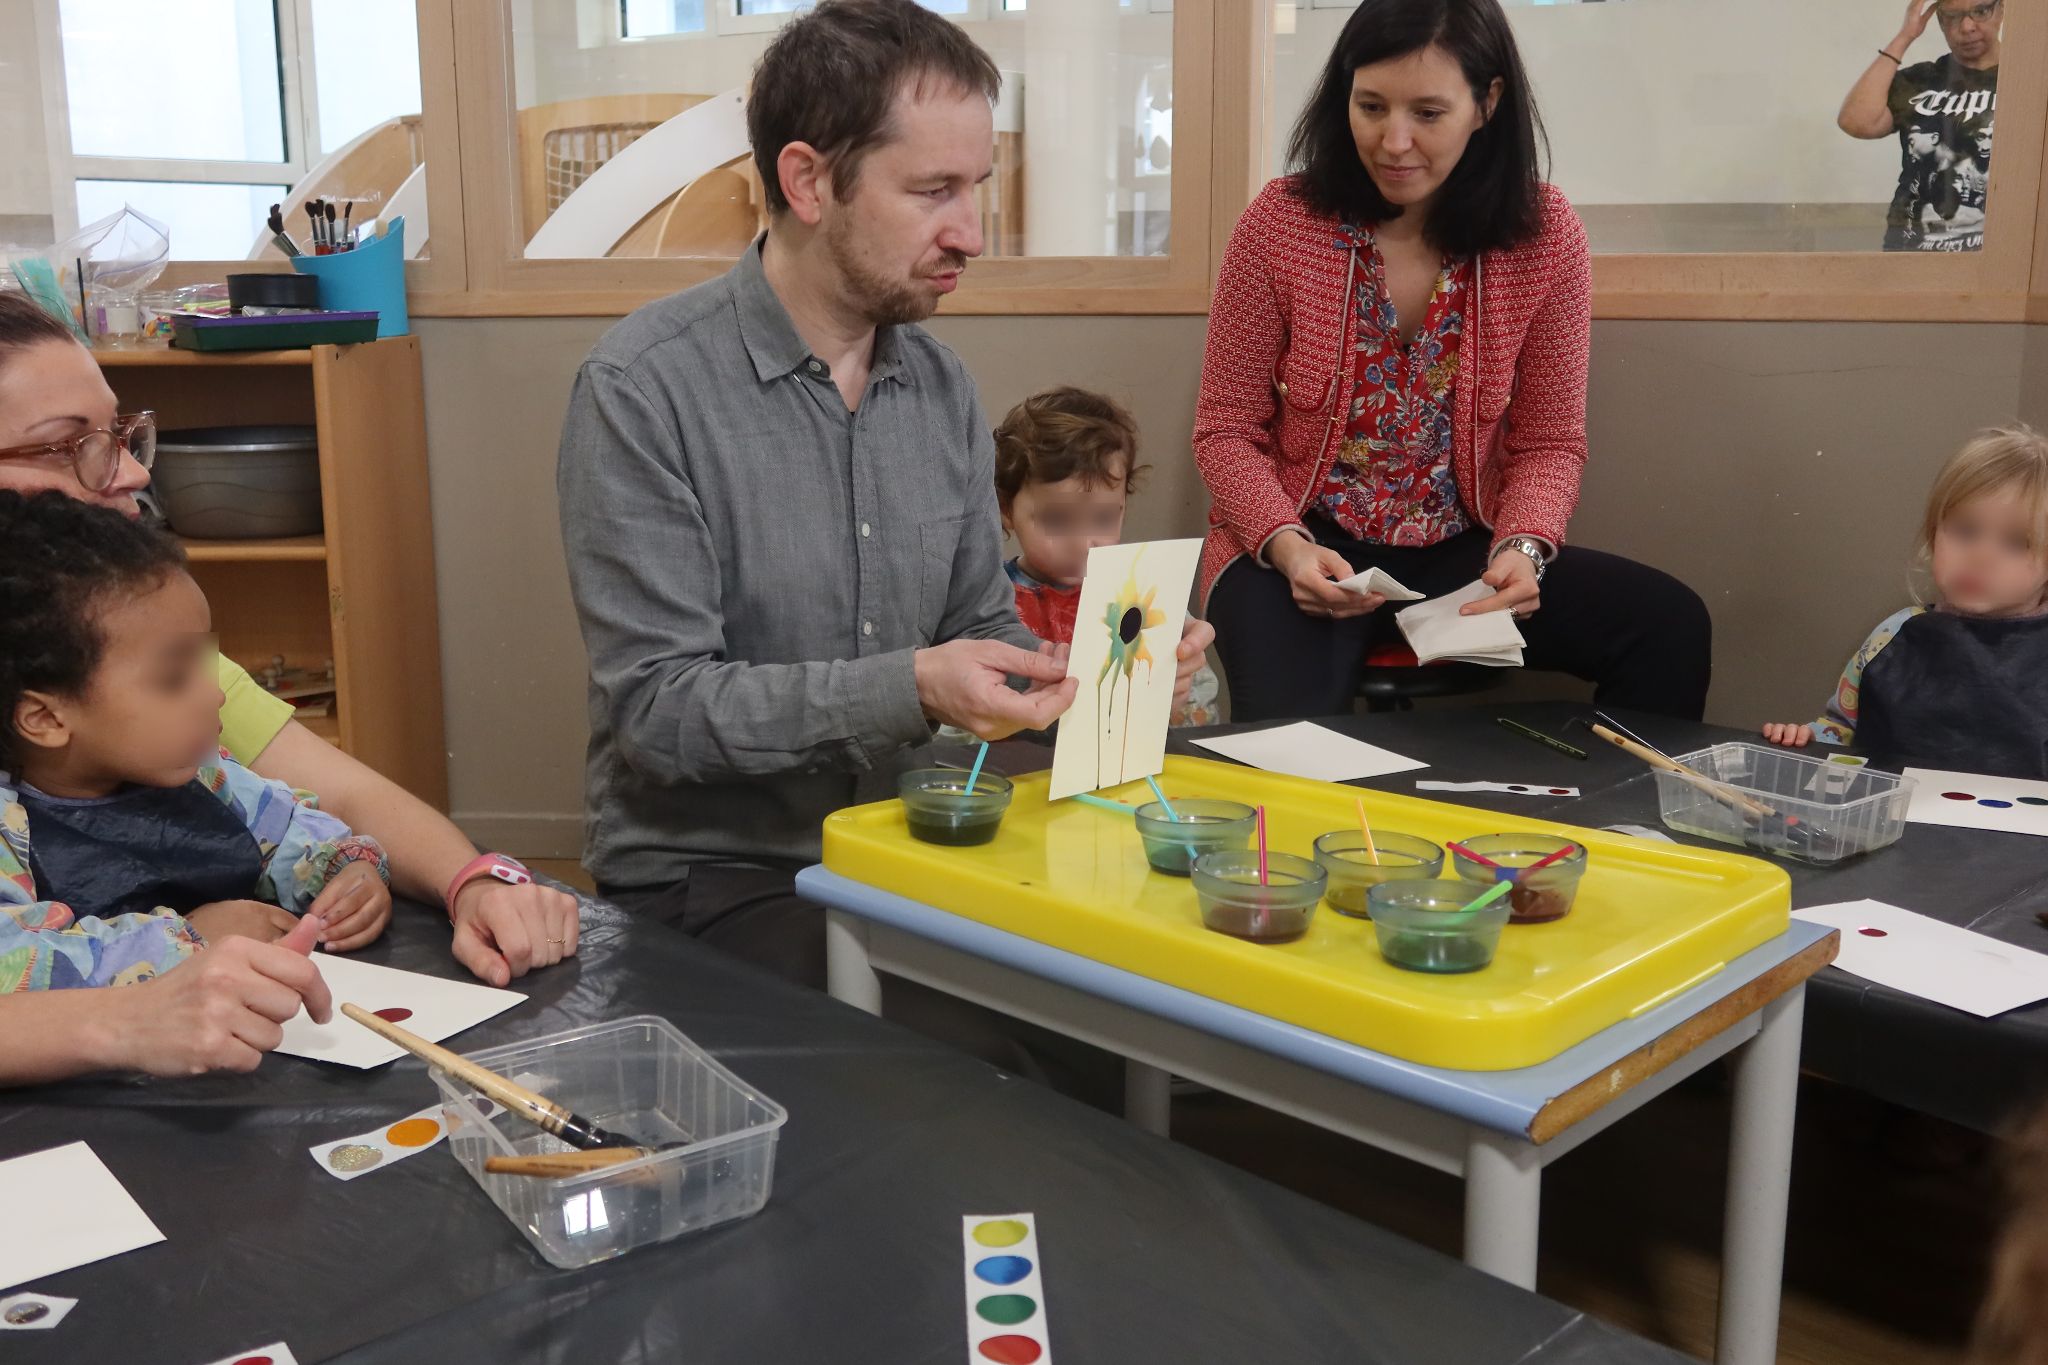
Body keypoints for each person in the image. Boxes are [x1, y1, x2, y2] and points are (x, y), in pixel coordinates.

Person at [556, 0, 1212, 987]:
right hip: (720, 878)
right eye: (934, 191)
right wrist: (910, 687)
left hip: (914, 841)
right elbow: (660, 715)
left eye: (978, 187)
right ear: (808, 180)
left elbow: (981, 643)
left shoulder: (939, 388)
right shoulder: (641, 390)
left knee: (1125, 1008)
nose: (972, 233)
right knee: (970, 1064)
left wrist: (1111, 668)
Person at [0, 291, 574, 1083]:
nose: (129, 470)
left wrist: (471, 877)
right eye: (70, 446)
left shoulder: (151, 676)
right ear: (43, 716)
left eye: (122, 434)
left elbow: (337, 799)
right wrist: (171, 965)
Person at [1194, 0, 1710, 724]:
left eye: (1428, 113)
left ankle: (1619, 827)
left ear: (1486, 103)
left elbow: (1550, 442)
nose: (1393, 141)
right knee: (1290, 751)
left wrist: (1524, 548)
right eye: (1370, 105)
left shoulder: (1545, 234)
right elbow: (1224, 428)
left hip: (1459, 547)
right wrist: (1285, 546)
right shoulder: (1281, 223)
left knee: (1669, 624)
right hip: (1298, 544)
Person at [0, 491, 390, 986]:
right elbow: (12, 963)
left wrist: (346, 874)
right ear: (45, 718)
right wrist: (187, 939)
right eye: (173, 679)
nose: (214, 696)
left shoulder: (207, 774)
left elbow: (295, 832)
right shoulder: (10, 829)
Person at [1763, 424, 2048, 777]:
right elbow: (1843, 726)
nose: (1981, 556)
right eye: (1965, 531)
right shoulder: (1894, 635)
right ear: (1933, 532)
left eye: (2017, 543)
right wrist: (1807, 738)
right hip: (1894, 819)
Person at [993, 387, 1220, 726]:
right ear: (1006, 509)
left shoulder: (1141, 599)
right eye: (1056, 520)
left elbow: (1198, 704)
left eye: (1103, 519)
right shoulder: (988, 602)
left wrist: (1170, 698)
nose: (1084, 544)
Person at [1839, 0, 2000, 252]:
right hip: (1909, 251)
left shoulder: (2025, 78)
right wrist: (1905, 36)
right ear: (1939, 21)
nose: (1967, 26)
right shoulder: (1920, 80)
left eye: (1980, 11)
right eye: (1952, 16)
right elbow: (1857, 122)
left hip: (1996, 257)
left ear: (2002, 9)